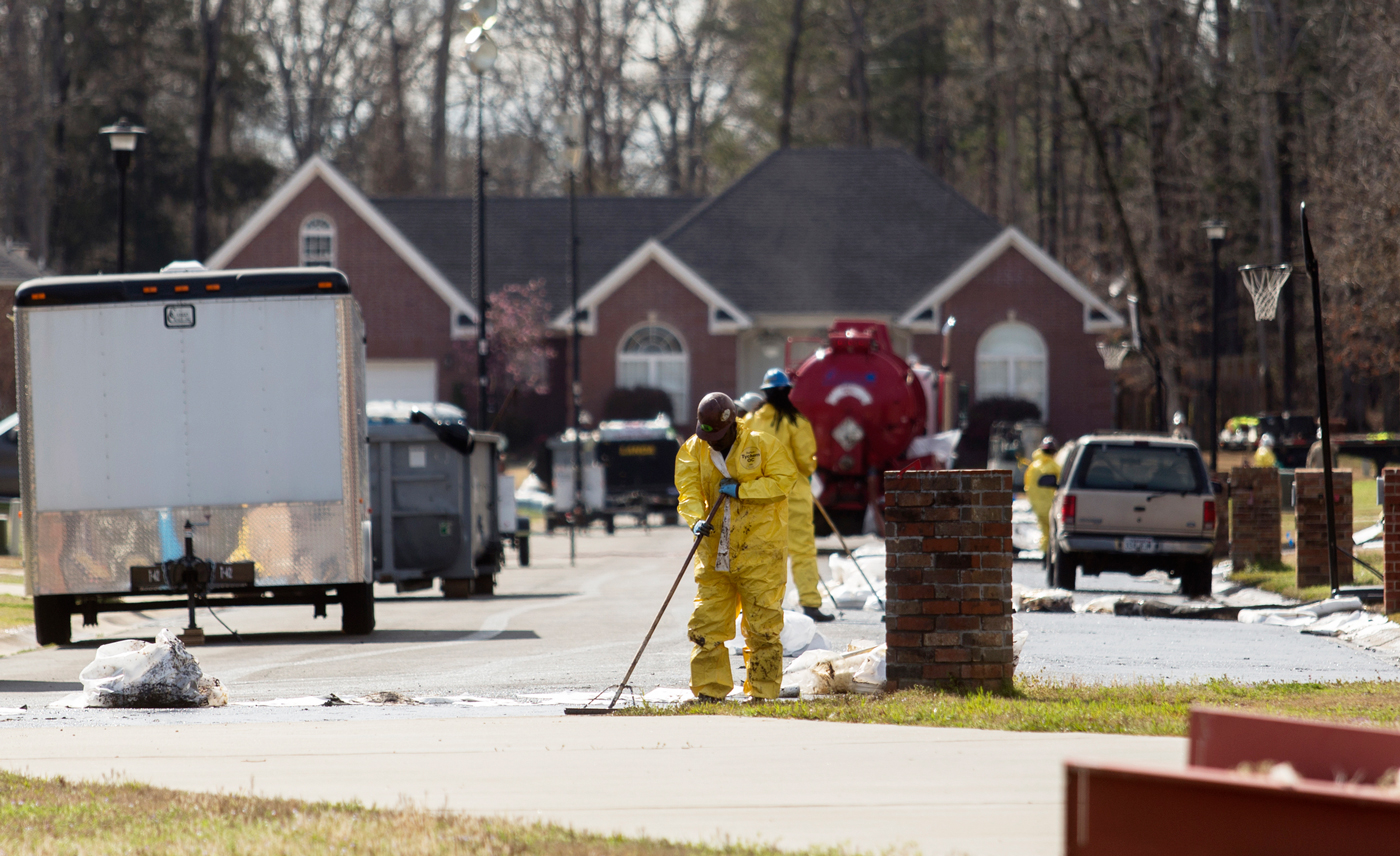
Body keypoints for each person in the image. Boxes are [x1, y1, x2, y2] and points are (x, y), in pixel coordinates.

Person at [675, 392, 798, 702]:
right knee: (707, 623)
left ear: (731, 425)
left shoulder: (761, 445)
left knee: (763, 626)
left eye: (717, 435)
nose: (712, 442)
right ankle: (709, 691)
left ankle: (763, 692)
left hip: (759, 551)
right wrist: (694, 521)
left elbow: (785, 480)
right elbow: (688, 492)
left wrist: (743, 490)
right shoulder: (694, 449)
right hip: (714, 551)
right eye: (708, 435)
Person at [744, 368, 832, 622]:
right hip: (794, 495)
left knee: (765, 553)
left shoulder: (751, 421)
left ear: (766, 392)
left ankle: (767, 606)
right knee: (802, 550)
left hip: (760, 496)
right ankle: (810, 604)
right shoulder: (797, 422)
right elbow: (806, 463)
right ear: (787, 391)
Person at [1023, 436, 1060, 557]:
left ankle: (1045, 554)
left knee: (1045, 531)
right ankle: (1048, 555)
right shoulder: (1054, 466)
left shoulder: (1033, 467)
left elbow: (1027, 486)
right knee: (1052, 532)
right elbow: (1061, 484)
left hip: (1037, 506)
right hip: (1050, 505)